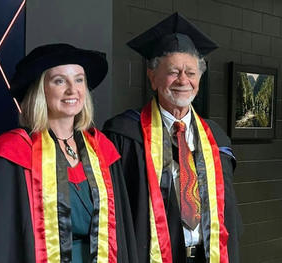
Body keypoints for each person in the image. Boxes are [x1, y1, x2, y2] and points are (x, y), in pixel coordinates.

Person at [0, 43, 137, 263]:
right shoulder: (13, 153)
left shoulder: (102, 149)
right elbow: (1, 240)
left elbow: (120, 233)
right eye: (59, 81)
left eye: (79, 79)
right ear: (41, 90)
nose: (72, 89)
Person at [103, 13, 243, 263]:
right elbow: (117, 214)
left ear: (199, 78)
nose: (183, 80)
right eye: (173, 72)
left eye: (190, 72)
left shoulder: (217, 138)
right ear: (153, 77)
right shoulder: (124, 135)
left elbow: (228, 212)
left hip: (207, 255)